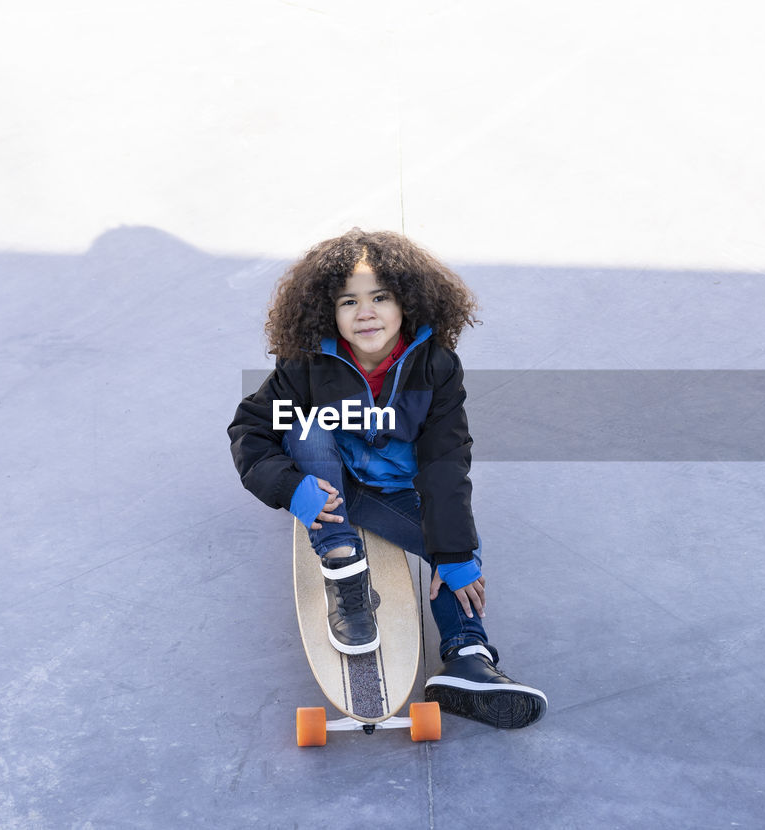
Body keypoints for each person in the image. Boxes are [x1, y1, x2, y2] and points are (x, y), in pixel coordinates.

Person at [228, 228, 547, 729]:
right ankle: (342, 565)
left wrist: (455, 550)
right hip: (327, 485)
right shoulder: (307, 365)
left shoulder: (436, 367)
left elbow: (446, 460)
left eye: (380, 297)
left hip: (394, 493)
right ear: (326, 311)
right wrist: (290, 488)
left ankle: (466, 660)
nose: (365, 312)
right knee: (305, 424)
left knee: (458, 549)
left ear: (408, 303)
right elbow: (251, 430)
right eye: (347, 301)